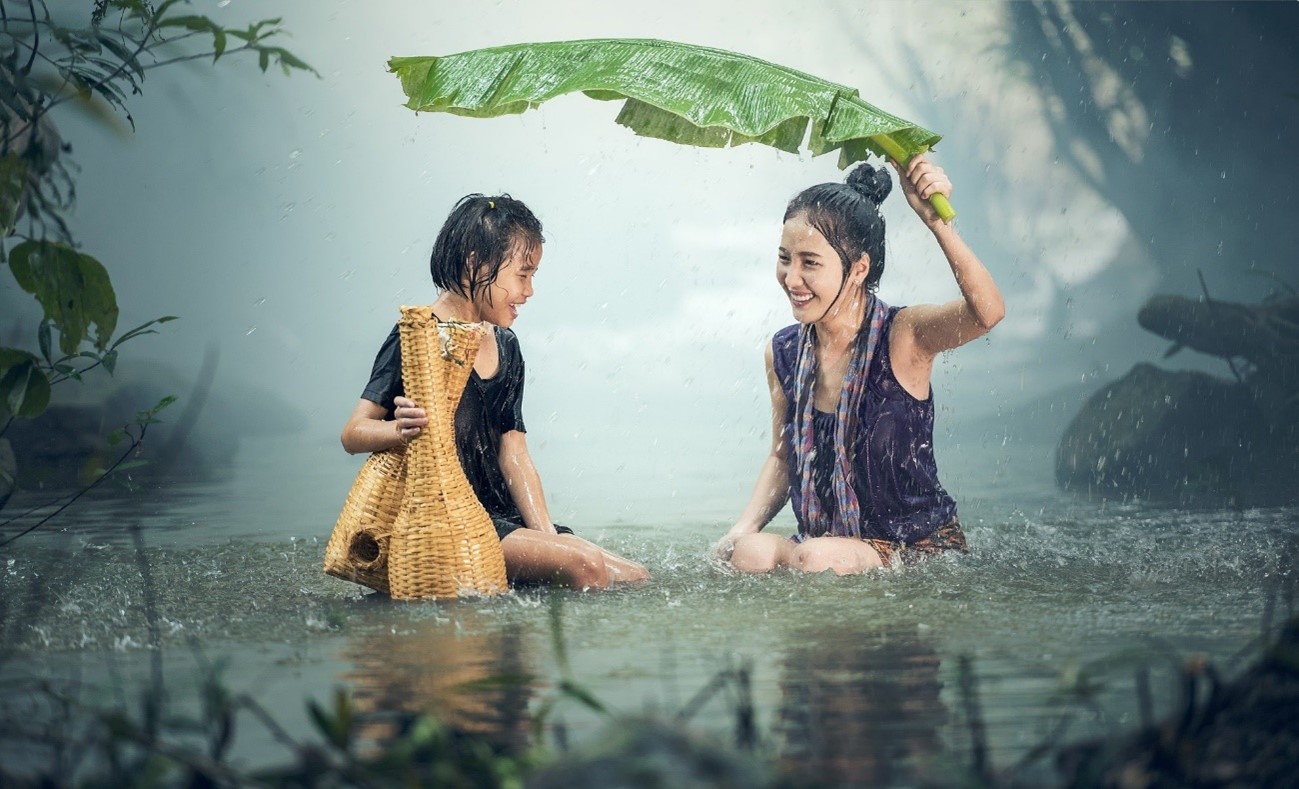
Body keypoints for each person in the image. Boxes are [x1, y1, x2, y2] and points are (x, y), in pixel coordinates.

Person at [712, 155, 1004, 575]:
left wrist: (937, 222)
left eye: (809, 262)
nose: (791, 279)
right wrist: (742, 527)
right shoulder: (784, 352)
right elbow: (783, 455)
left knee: (815, 557)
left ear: (858, 269)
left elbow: (987, 312)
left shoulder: (904, 337)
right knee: (751, 553)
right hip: (826, 544)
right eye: (784, 258)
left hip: (916, 546)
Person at [341, 194, 649, 590]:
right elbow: (353, 433)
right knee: (586, 566)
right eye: (523, 275)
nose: (531, 290)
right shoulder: (418, 338)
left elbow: (514, 453)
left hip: (504, 517)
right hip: (454, 522)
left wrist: (547, 536)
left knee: (633, 576)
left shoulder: (506, 345)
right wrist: (397, 431)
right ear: (476, 263)